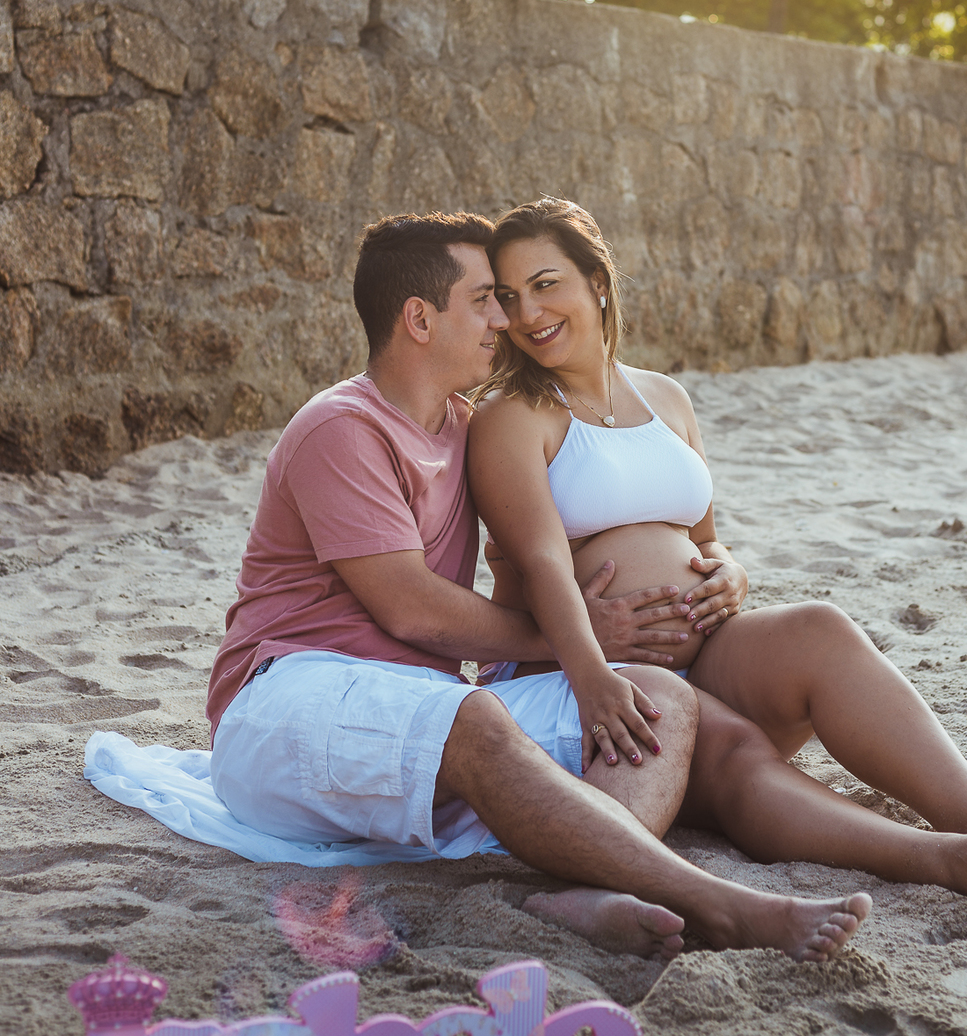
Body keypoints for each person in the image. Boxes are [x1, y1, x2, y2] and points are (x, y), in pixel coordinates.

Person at [206, 211, 879, 965]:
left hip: (414, 717)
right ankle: (723, 904)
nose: (506, 319)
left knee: (659, 699)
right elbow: (410, 607)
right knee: (476, 720)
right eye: (486, 299)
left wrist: (675, 595)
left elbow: (548, 543)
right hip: (288, 699)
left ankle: (595, 891)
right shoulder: (343, 426)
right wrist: (577, 641)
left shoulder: (464, 428)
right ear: (420, 319)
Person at [468, 196, 967, 905]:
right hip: (592, 682)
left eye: (546, 284)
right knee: (737, 751)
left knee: (821, 627)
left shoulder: (664, 398)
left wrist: (731, 568)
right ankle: (943, 860)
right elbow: (544, 563)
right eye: (510, 297)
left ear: (597, 282)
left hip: (712, 652)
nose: (528, 313)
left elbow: (701, 534)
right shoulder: (513, 415)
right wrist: (592, 677)